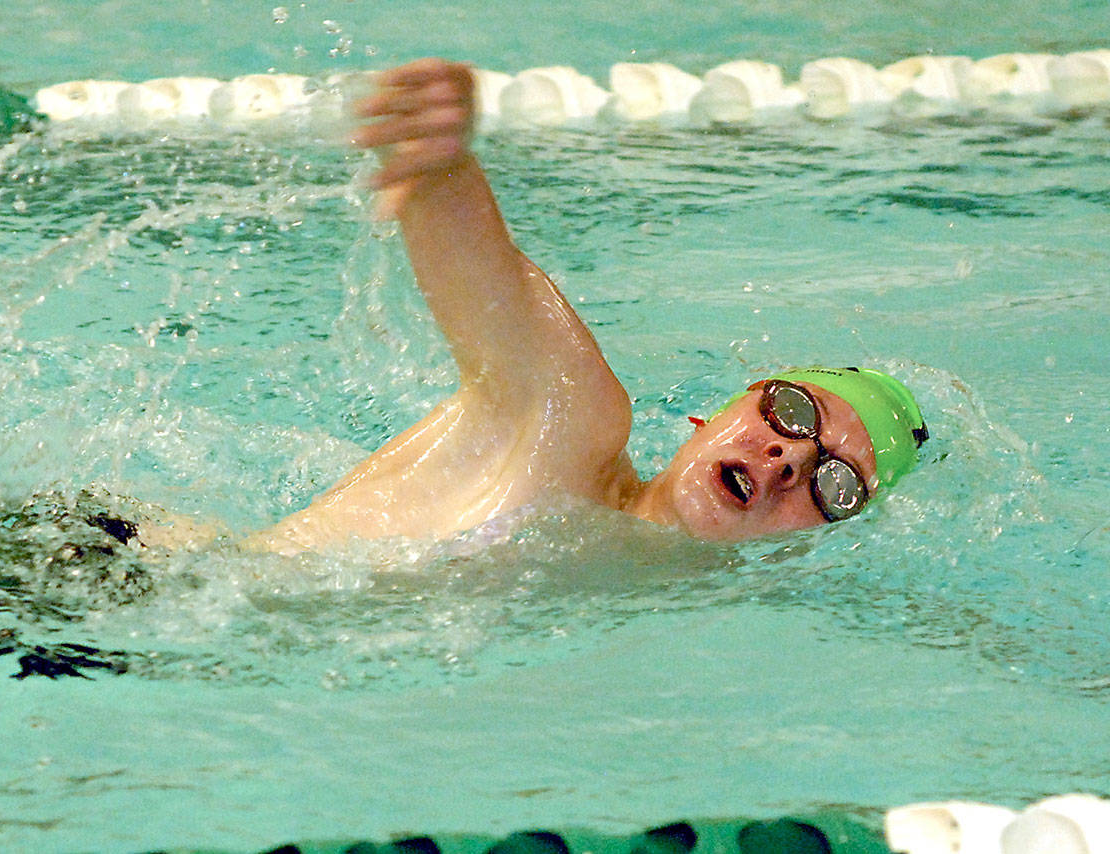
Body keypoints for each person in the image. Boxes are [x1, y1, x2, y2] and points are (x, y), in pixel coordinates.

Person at [248, 58, 927, 555]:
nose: (788, 461)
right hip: (154, 580)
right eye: (793, 411)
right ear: (708, 417)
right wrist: (442, 161)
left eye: (837, 487)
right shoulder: (571, 425)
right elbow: (487, 287)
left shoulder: (674, 609)